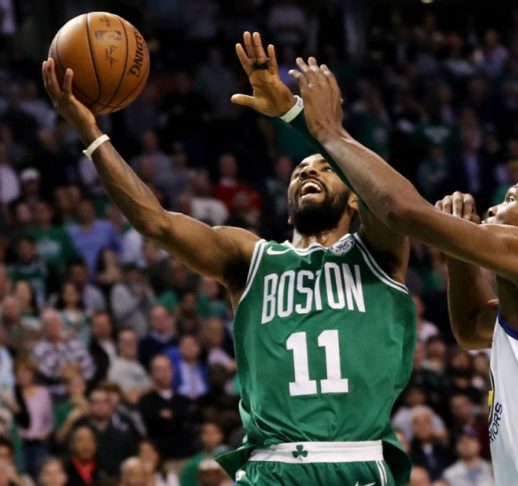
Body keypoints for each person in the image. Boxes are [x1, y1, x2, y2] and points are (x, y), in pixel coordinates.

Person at [42, 28, 416, 486]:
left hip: (357, 461)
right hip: (271, 467)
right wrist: (91, 133)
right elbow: (156, 223)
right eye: (300, 169)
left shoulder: (378, 252)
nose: (309, 171)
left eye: (325, 167)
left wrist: (295, 114)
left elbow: (391, 197)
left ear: (356, 197)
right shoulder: (251, 258)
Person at [287, 54, 518, 484]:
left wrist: (330, 133)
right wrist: (457, 250)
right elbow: (472, 328)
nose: (493, 208)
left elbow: (402, 212)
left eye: (510, 200)